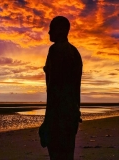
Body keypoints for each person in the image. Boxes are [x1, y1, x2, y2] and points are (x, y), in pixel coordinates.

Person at [39, 16, 83, 160]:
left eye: (51, 28)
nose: (48, 32)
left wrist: (47, 122)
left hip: (58, 117)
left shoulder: (55, 51)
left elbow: (53, 90)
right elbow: (77, 89)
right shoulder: (75, 53)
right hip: (71, 114)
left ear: (60, 30)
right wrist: (77, 112)